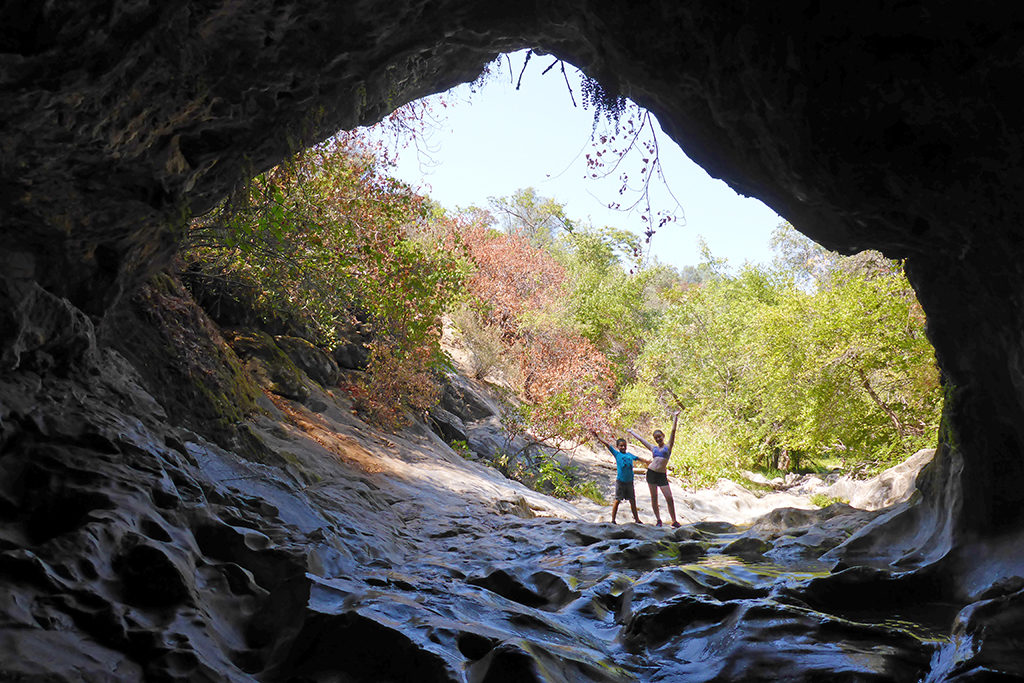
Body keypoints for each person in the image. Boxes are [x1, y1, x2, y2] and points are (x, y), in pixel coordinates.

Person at [629, 411, 682, 528]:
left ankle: (674, 520)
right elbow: (642, 440)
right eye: (656, 438)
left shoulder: (668, 447)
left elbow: (673, 432)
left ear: (663, 436)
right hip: (651, 473)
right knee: (654, 498)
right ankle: (658, 520)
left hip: (662, 476)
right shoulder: (653, 448)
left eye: (659, 437)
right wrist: (632, 432)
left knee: (669, 498)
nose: (658, 439)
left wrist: (675, 417)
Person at [590, 430, 650, 524]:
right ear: (617, 447)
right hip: (620, 481)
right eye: (621, 446)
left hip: (629, 482)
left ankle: (637, 519)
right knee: (617, 500)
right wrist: (598, 437)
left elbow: (638, 458)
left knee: (632, 501)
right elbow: (607, 445)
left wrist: (647, 461)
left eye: (624, 445)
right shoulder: (617, 454)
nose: (623, 447)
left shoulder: (629, 455)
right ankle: (613, 520)